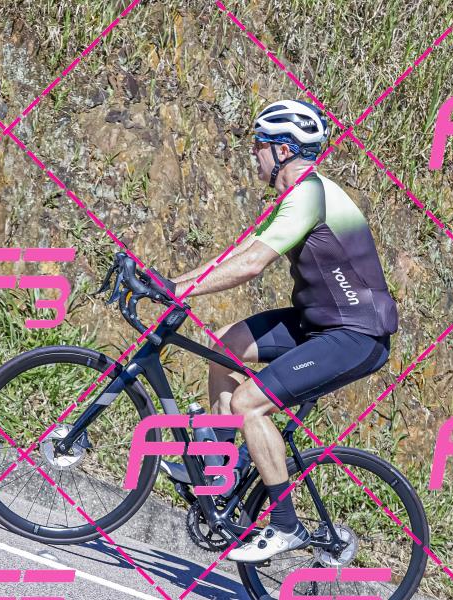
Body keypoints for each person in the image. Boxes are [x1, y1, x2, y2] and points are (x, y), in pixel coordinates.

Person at [154, 99, 398, 562]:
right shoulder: (296, 197)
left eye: (259, 145)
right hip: (319, 322)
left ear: (283, 150)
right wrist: (171, 285)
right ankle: (222, 468)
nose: (254, 153)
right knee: (226, 345)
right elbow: (239, 252)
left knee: (249, 402)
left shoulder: (310, 195)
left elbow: (252, 265)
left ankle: (286, 524)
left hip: (355, 335)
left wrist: (180, 290)